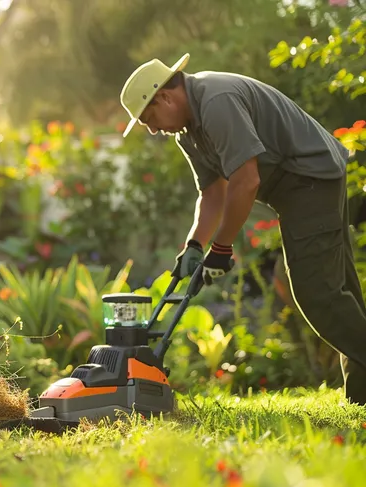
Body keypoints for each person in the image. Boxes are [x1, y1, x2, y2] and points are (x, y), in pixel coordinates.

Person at [118, 53, 366, 405]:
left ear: (165, 98)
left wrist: (220, 248)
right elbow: (212, 192)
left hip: (310, 178)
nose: (154, 129)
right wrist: (194, 245)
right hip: (300, 184)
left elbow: (246, 180)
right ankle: (362, 393)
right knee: (338, 289)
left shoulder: (217, 102)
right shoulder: (188, 132)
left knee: (317, 293)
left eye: (149, 118)